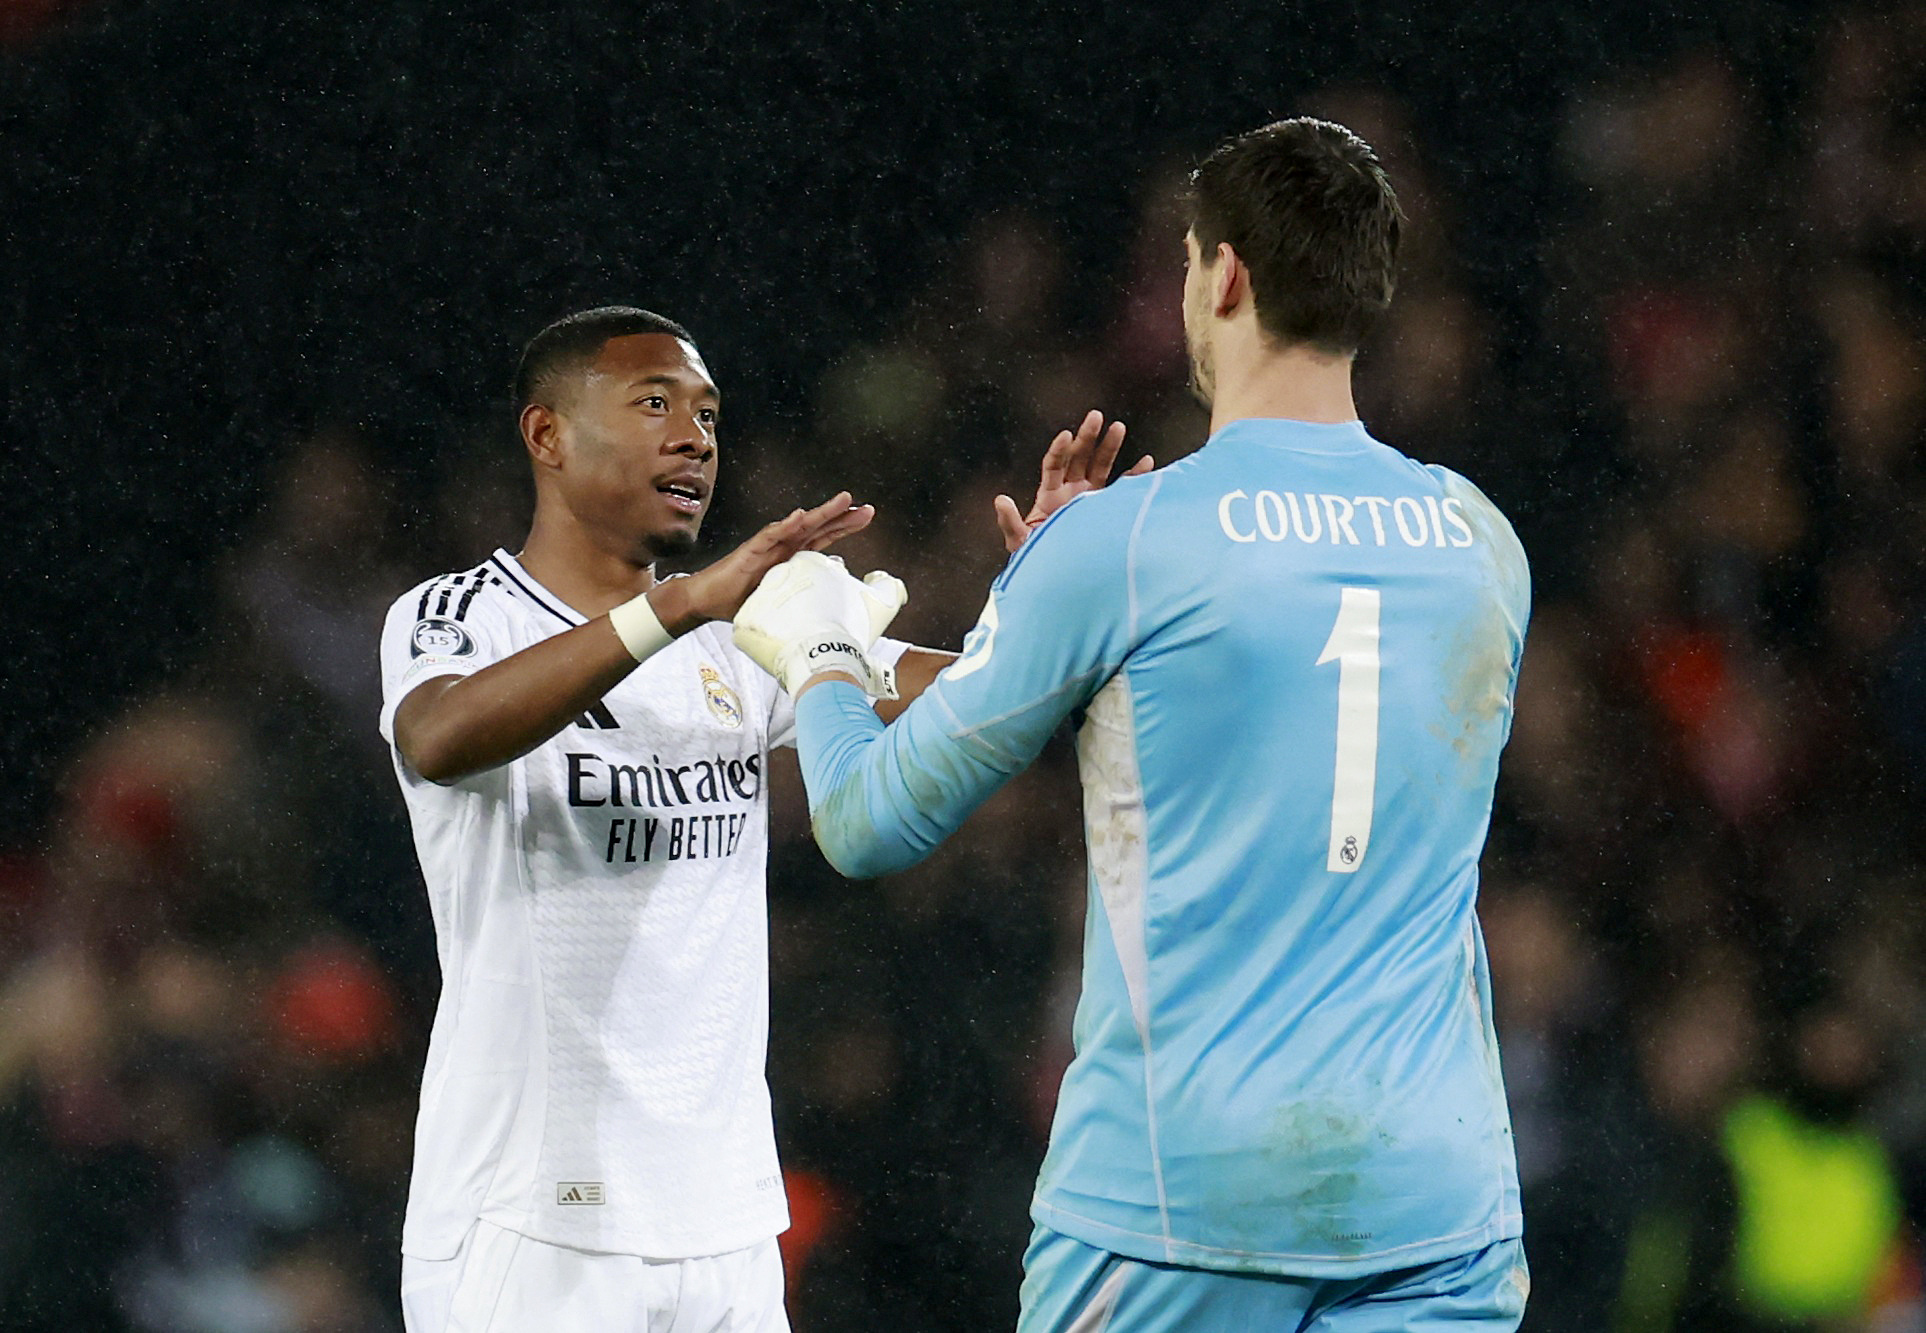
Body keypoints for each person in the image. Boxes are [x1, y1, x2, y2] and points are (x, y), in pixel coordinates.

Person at [733, 119, 1534, 1331]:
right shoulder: (1483, 540)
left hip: (1180, 1209)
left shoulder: (1130, 540)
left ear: (1223, 276)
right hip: (1437, 1206)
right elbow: (1285, 721)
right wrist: (1051, 615)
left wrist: (823, 646)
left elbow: (865, 819)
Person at [377, 305, 1137, 1332]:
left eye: (709, 413)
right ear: (546, 434)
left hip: (725, 1229)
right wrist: (680, 606)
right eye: (655, 403)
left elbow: (984, 692)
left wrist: (1050, 588)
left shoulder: (742, 634)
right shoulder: (463, 614)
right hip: (533, 1224)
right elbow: (440, 735)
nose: (695, 436)